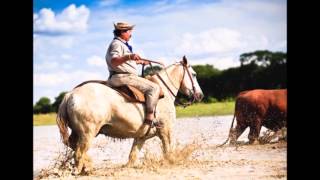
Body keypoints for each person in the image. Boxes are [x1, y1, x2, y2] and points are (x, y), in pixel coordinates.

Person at [105, 22, 163, 128]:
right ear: (122, 32)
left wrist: (138, 62)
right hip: (123, 77)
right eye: (129, 31)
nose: (131, 34)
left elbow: (123, 62)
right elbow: (114, 61)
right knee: (154, 88)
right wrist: (130, 57)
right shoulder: (116, 44)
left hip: (121, 76)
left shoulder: (121, 44)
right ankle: (150, 118)